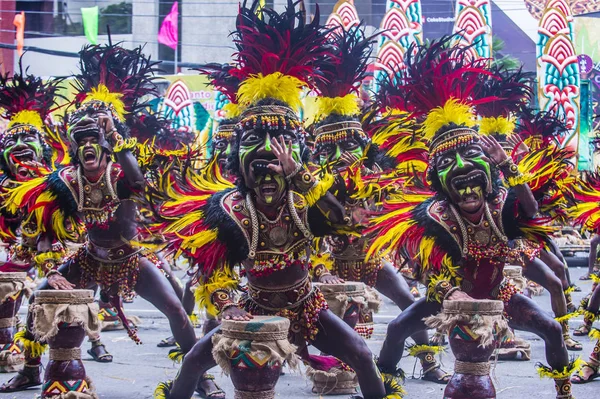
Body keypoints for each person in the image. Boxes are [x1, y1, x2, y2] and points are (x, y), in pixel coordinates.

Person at [153, 2, 402, 398]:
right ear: (237, 155)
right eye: (254, 142)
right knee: (195, 359)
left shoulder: (306, 195)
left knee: (361, 355)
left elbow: (343, 223)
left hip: (307, 304)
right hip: (252, 304)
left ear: (299, 152)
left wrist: (301, 179)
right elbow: (211, 269)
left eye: (283, 143)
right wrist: (227, 305)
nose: (270, 153)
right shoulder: (226, 208)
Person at [366, 38, 576, 398]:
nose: (466, 183)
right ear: (440, 185)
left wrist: (509, 166)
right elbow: (428, 270)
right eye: (450, 169)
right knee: (399, 326)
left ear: (488, 176)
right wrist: (454, 293)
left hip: (499, 292)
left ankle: (565, 391)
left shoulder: (501, 201)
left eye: (472, 169)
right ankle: (386, 383)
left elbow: (532, 212)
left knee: (552, 331)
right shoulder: (433, 216)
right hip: (449, 295)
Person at [0, 43, 198, 395]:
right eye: (82, 139)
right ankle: (32, 368)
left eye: (96, 138)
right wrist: (51, 272)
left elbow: (138, 184)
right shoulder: (64, 181)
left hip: (130, 259)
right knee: (40, 299)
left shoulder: (121, 173)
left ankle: (199, 375)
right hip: (89, 259)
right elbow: (45, 228)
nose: (89, 146)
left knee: (176, 312)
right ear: (74, 147)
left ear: (107, 144)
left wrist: (119, 141)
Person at [310, 25, 448, 383]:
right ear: (317, 152)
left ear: (363, 146)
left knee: (406, 299)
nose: (340, 156)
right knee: (335, 317)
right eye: (329, 149)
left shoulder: (378, 179)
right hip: (324, 264)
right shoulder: (309, 184)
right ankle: (332, 366)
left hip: (370, 258)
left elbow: (402, 216)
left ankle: (429, 362)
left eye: (348, 146)